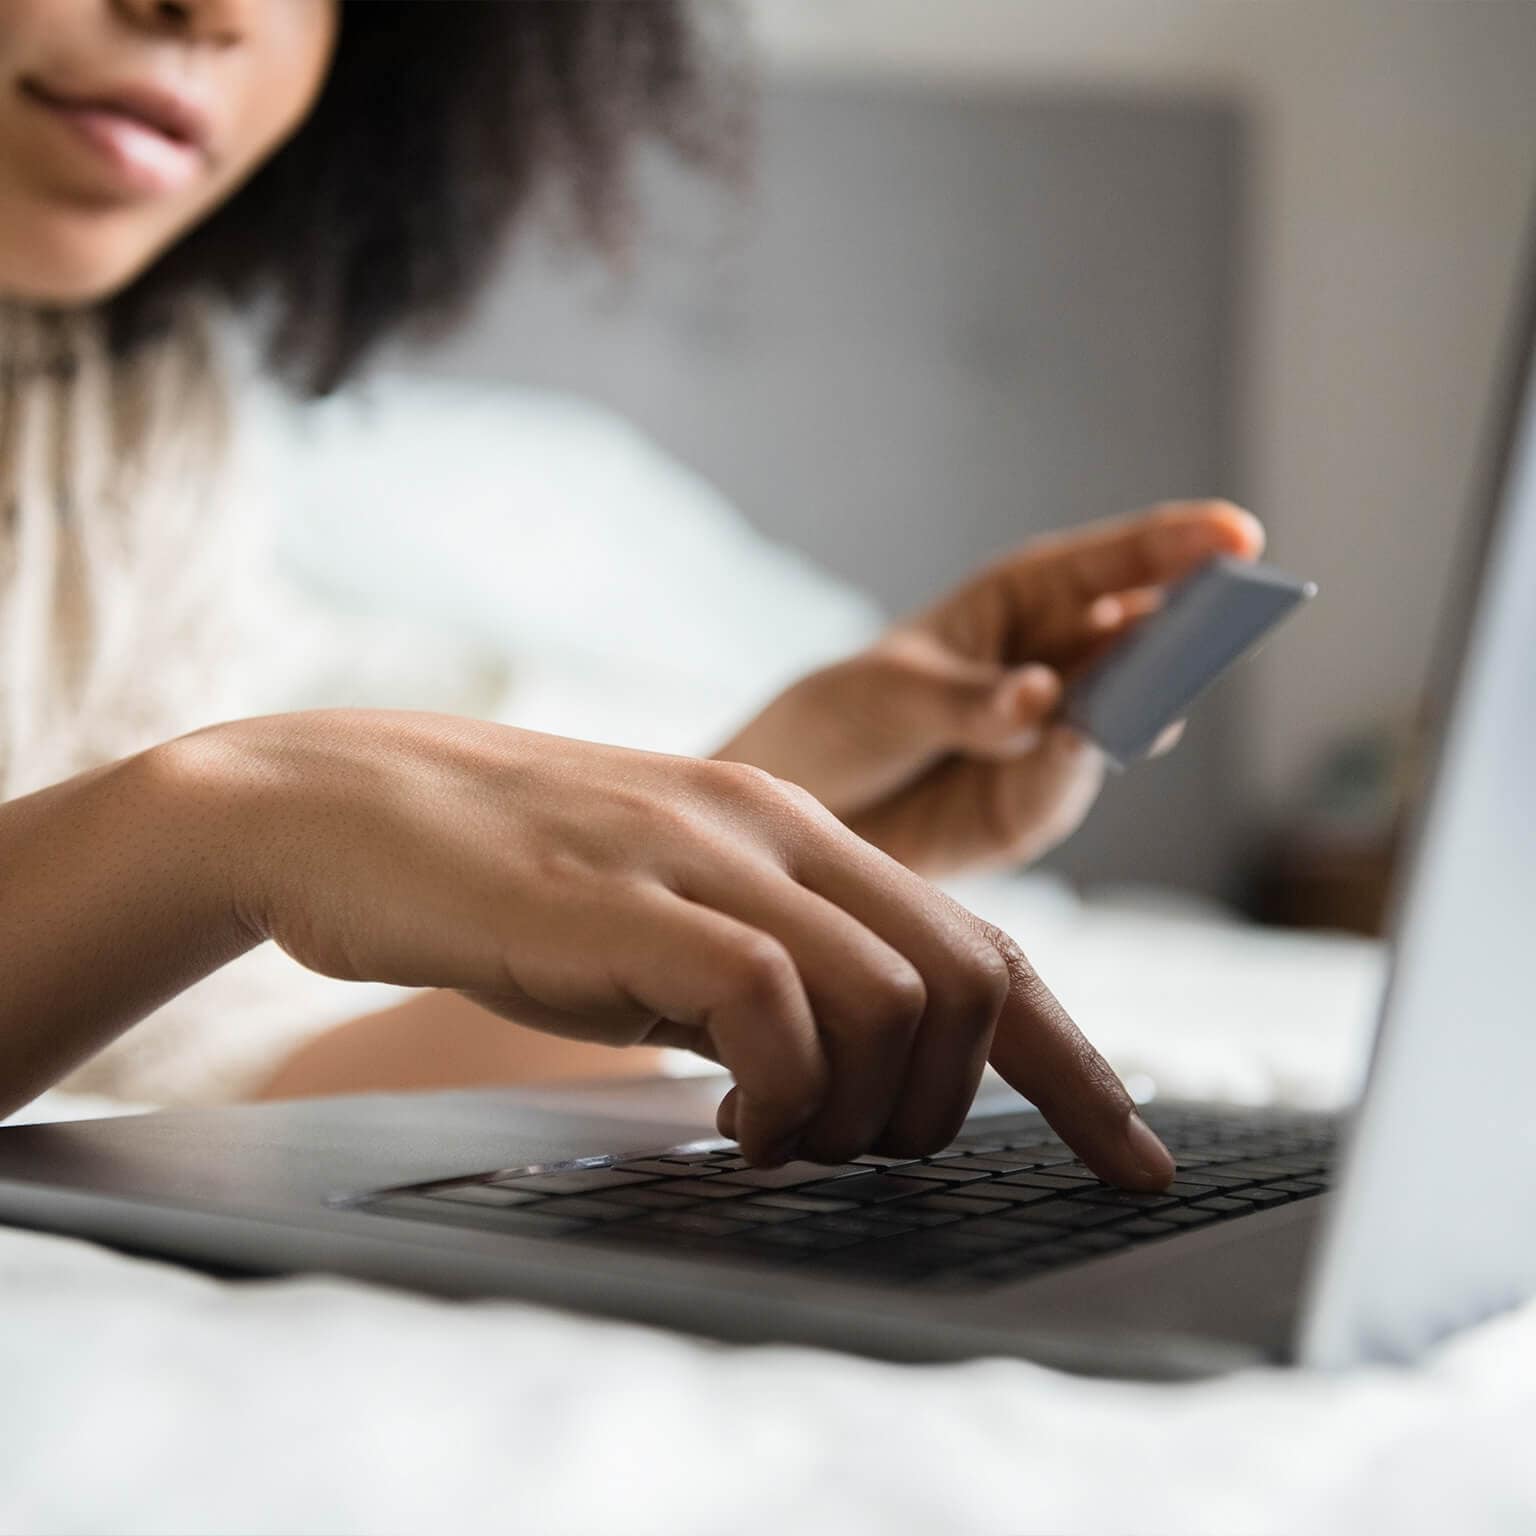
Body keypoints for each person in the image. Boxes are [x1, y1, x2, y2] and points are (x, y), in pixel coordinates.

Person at [0, 0, 1263, 1185]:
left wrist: (785, 845)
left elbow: (189, 1076)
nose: (215, 10)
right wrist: (240, 816)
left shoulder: (125, 401)